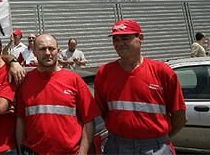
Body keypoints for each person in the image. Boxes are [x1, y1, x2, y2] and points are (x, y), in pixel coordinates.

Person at [95, 20, 187, 155]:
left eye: (125, 38)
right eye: (115, 39)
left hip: (156, 147)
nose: (120, 43)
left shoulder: (162, 71)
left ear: (141, 38)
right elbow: (102, 111)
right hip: (117, 146)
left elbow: (179, 115)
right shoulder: (104, 72)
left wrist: (160, 139)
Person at [16, 33, 99, 155]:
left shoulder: (74, 80)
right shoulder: (26, 82)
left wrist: (82, 152)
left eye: (52, 48)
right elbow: (20, 120)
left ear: (58, 51)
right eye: (42, 49)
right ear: (34, 52)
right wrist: (21, 150)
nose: (48, 53)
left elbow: (89, 121)